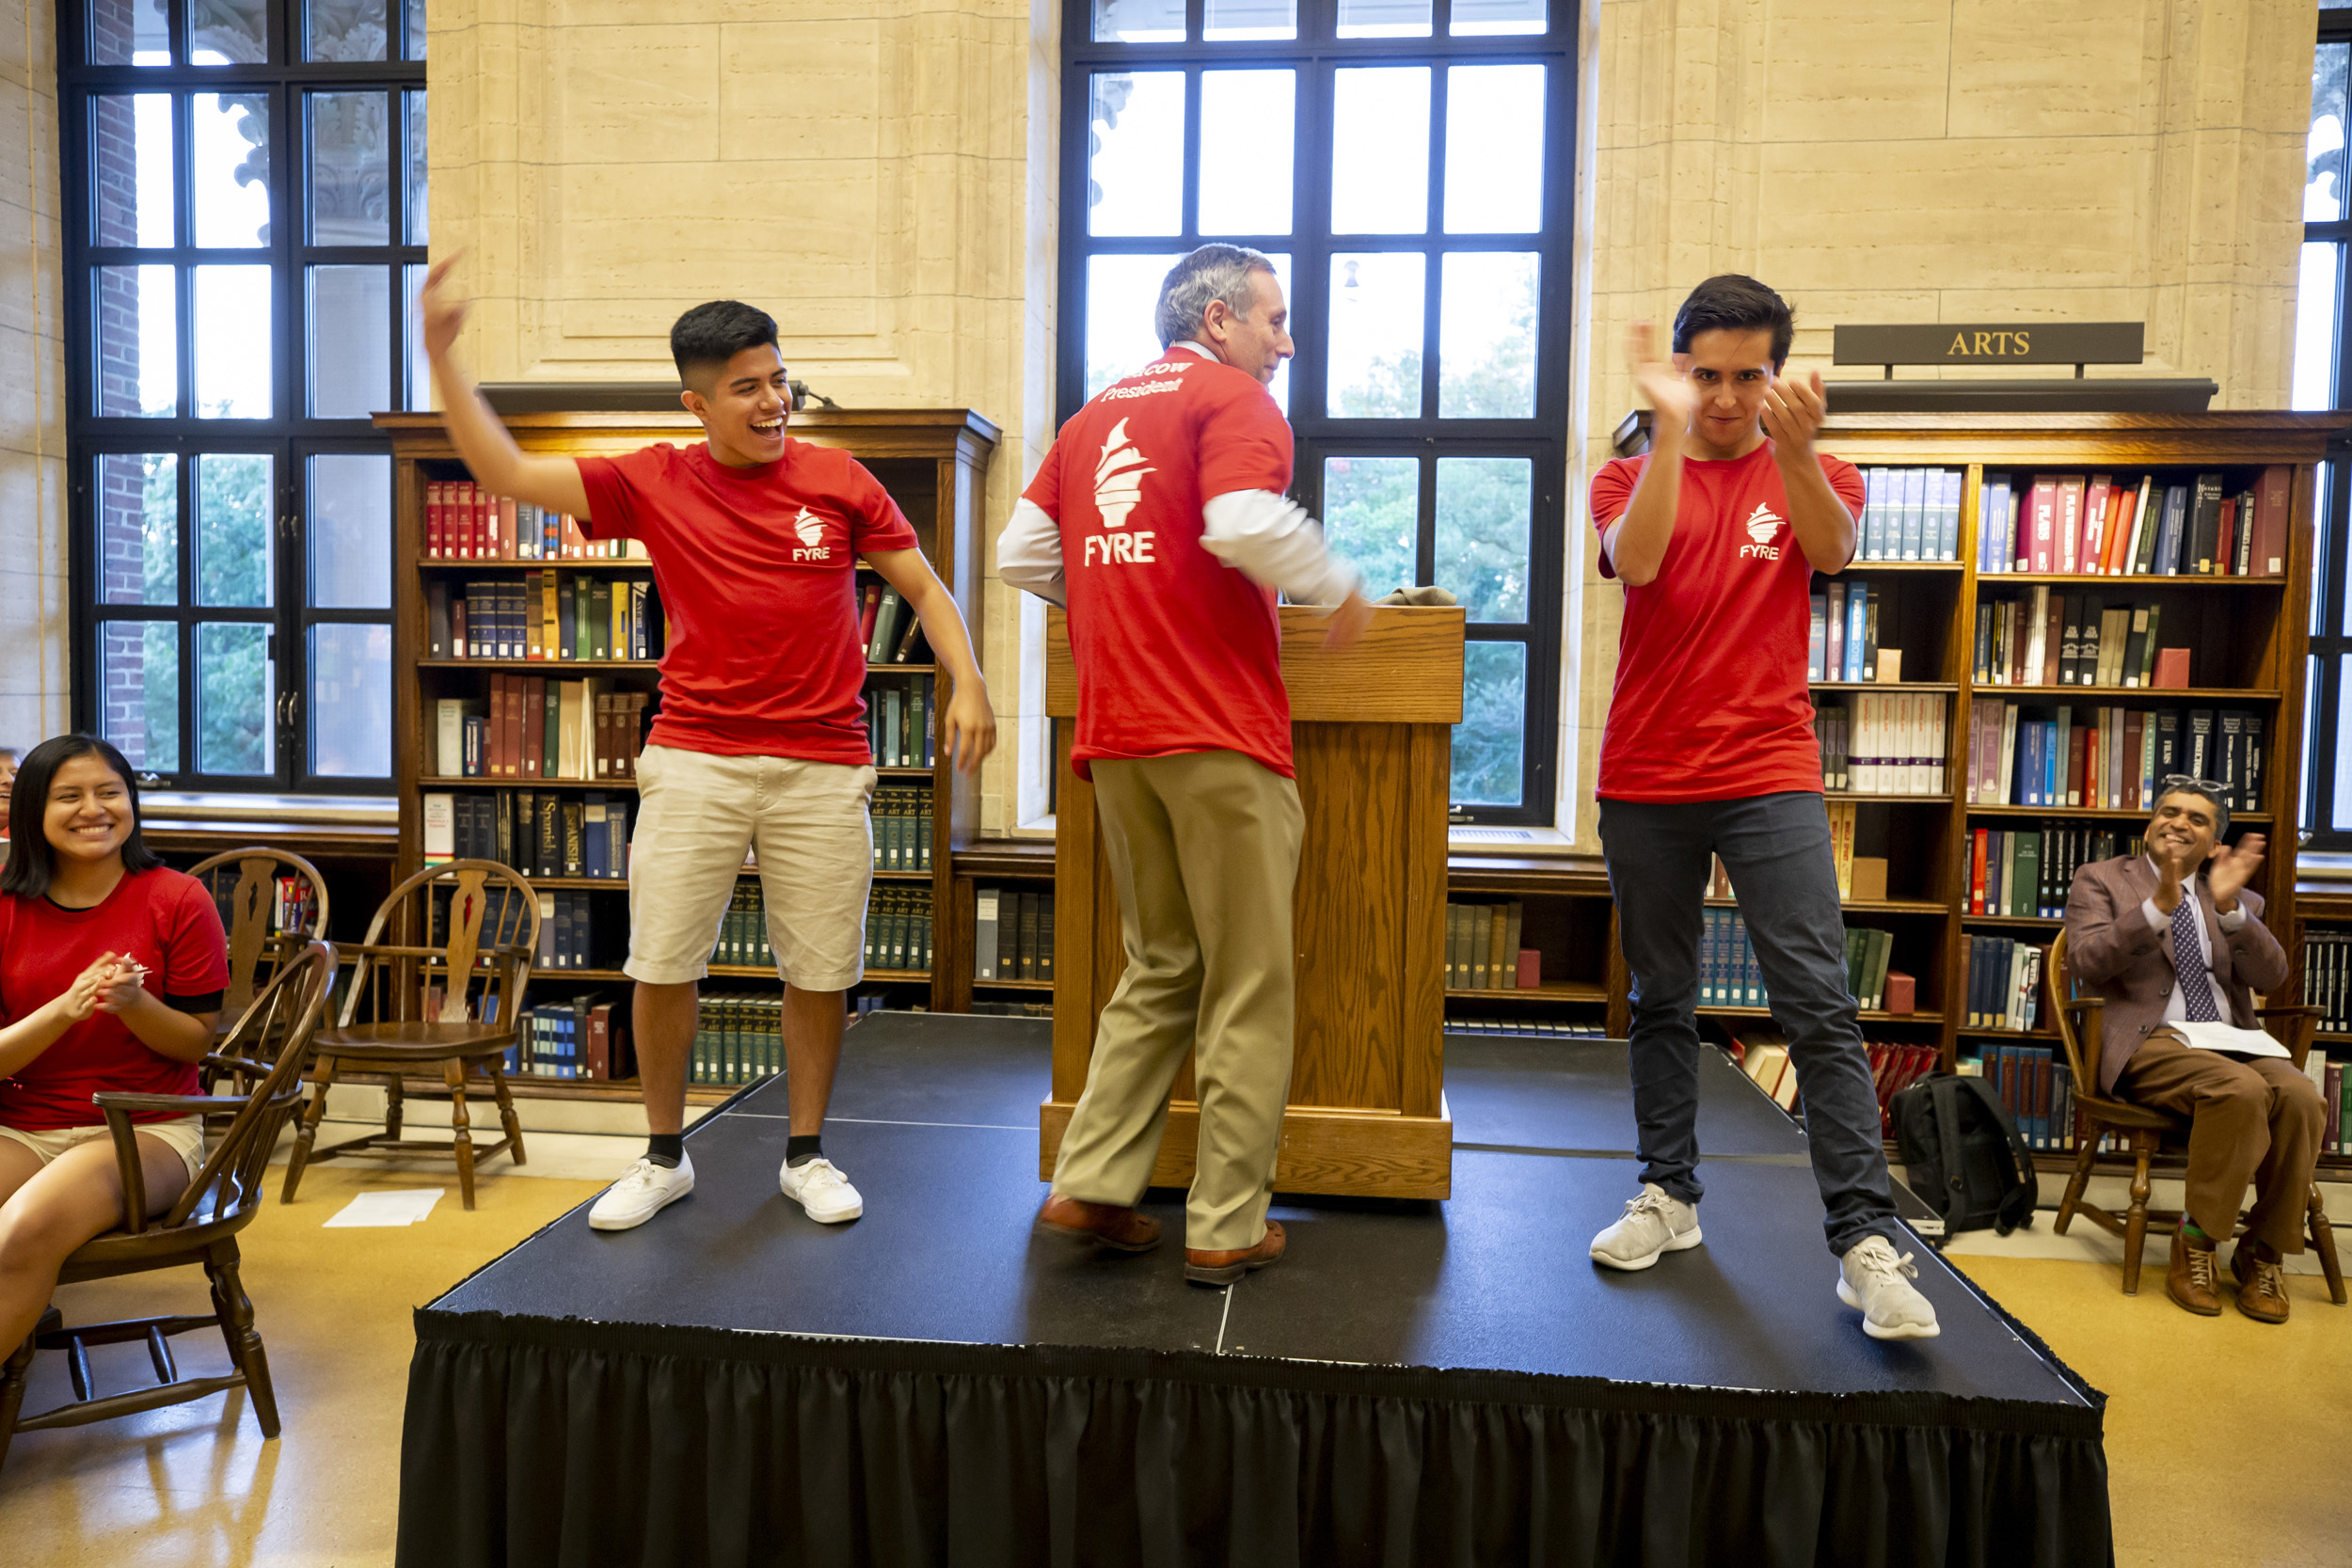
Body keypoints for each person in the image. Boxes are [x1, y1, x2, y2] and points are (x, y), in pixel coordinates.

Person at [417, 263, 996, 1232]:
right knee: (662, 961)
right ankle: (661, 1154)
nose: (773, 403)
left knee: (819, 969)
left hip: (822, 760)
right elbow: (506, 473)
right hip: (693, 755)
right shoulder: (651, 477)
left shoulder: (839, 480)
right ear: (698, 402)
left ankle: (805, 1154)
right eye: (747, 387)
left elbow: (927, 590)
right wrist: (442, 358)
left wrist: (968, 679)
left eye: (779, 380)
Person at [999, 244, 1373, 1285]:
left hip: (1117, 735)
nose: (1285, 341)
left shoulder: (1089, 419)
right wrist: (1337, 581)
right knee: (1248, 981)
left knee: (1159, 964)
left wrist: (1126, 601)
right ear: (1217, 320)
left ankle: (1091, 1183)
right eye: (1273, 319)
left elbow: (1021, 554)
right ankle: (1224, 1220)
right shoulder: (1234, 399)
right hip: (1218, 730)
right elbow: (1244, 519)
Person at [1584, 276, 1939, 1339]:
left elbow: (1831, 552)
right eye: (1707, 375)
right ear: (1681, 372)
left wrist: (1788, 453)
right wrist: (1666, 435)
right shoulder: (1623, 474)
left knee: (1818, 1003)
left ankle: (1864, 1242)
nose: (1728, 394)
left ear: (1776, 376)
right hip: (1646, 773)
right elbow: (1635, 561)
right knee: (1662, 995)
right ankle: (1669, 1197)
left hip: (1768, 768)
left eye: (1748, 375)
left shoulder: (1817, 468)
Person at [0, 736, 229, 1357]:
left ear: (131, 801)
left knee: (22, 1230)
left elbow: (194, 1044)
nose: (93, 809)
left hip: (144, 1127)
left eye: (110, 792)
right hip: (23, 1124)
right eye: (67, 796)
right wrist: (64, 1009)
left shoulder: (178, 898)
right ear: (31, 812)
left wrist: (134, 1004)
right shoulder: (5, 904)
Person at [2061, 781, 2314, 1321]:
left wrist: (2229, 910)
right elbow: (2085, 961)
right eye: (2168, 812)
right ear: (2150, 824)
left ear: (2216, 843)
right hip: (2151, 1041)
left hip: (2231, 1039)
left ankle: (2262, 1251)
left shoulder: (2238, 896)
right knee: (2239, 1089)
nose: (2178, 823)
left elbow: (2273, 975)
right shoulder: (2102, 879)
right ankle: (2196, 1241)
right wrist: (2154, 910)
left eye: (2197, 819)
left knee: (2301, 1095)